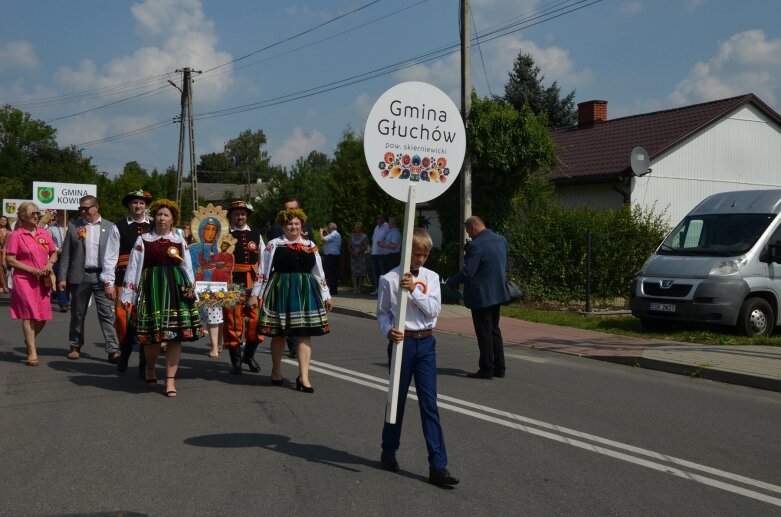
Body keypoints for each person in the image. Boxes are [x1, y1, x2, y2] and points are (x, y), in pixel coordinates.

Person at [377, 228, 459, 488]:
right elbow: (382, 314)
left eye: (425, 255)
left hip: (426, 343)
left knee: (429, 405)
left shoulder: (432, 278)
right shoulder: (388, 279)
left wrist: (414, 290)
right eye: (417, 254)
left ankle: (438, 466)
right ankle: (388, 450)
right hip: (403, 343)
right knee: (397, 401)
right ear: (407, 251)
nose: (420, 260)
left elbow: (434, 309)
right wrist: (388, 330)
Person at [120, 199, 205, 397]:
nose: (162, 218)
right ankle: (150, 367)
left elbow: (187, 267)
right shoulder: (143, 240)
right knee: (152, 337)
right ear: (154, 218)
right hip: (152, 288)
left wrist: (192, 291)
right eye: (159, 214)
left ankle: (170, 380)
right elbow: (133, 268)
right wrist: (129, 295)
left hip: (176, 287)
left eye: (166, 215)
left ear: (172, 219)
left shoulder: (179, 241)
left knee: (175, 336)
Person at [249, 207, 332, 393]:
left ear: (301, 225)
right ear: (283, 226)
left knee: (304, 332)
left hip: (305, 290)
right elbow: (263, 271)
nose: (293, 227)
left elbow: (319, 273)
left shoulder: (310, 245)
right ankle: (276, 369)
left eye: (296, 223)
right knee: (280, 333)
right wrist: (255, 294)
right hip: (281, 288)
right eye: (289, 224)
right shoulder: (274, 245)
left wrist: (326, 295)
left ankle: (304, 377)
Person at [446, 216, 511, 379]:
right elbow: (504, 264)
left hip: (481, 296)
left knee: (484, 332)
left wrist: (451, 282)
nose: (469, 235)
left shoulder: (476, 245)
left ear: (473, 226)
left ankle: (486, 369)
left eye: (468, 231)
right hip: (497, 292)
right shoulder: (500, 239)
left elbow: (468, 272)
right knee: (494, 330)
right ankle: (499, 367)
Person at [57, 195, 121, 363]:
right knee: (78, 313)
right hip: (80, 275)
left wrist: (113, 279)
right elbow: (66, 255)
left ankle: (113, 349)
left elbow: (115, 254)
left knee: (107, 313)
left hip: (103, 276)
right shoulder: (74, 226)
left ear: (96, 207)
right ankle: (75, 345)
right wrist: (62, 277)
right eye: (81, 208)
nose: (83, 211)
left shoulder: (110, 227)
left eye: (86, 208)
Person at [102, 190, 153, 375]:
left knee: (146, 321)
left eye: (141, 203)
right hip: (124, 278)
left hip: (148, 279)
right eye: (134, 203)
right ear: (129, 206)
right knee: (123, 319)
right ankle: (125, 353)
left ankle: (143, 361)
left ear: (145, 205)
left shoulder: (155, 225)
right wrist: (108, 282)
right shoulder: (118, 227)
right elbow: (110, 256)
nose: (138, 206)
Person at [4, 202, 58, 366]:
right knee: (28, 315)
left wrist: (50, 264)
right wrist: (30, 270)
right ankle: (32, 351)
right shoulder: (15, 235)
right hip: (24, 280)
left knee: (42, 317)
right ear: (22, 216)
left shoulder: (44, 233)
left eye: (37, 213)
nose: (36, 215)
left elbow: (53, 252)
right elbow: (10, 259)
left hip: (43, 279)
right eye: (32, 213)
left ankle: (29, 340)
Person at [266, 197, 314, 359]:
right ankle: (277, 367)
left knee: (302, 327)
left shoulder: (308, 233)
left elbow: (316, 265)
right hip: (282, 283)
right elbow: (268, 266)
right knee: (282, 328)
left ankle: (298, 358)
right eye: (288, 209)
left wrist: (325, 293)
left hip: (303, 285)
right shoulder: (275, 235)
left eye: (294, 209)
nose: (291, 213)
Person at [223, 200, 263, 375]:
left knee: (256, 320)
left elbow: (264, 258)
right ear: (231, 216)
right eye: (237, 214)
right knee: (233, 320)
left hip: (253, 281)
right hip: (231, 281)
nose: (240, 216)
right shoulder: (224, 234)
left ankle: (249, 356)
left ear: (247, 216)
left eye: (243, 214)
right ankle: (236, 360)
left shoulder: (256, 234)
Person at [47, 211, 70, 312]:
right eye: (60, 215)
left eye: (65, 215)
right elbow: (48, 243)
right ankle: (63, 303)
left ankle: (67, 300)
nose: (63, 217)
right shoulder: (51, 228)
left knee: (69, 279)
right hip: (58, 256)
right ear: (57, 216)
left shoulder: (72, 227)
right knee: (61, 278)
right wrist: (57, 249)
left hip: (71, 257)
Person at [370, 214, 389, 294]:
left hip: (382, 253)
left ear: (383, 218)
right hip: (374, 252)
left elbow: (385, 238)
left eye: (378, 218)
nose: (377, 219)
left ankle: (383, 290)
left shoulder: (387, 226)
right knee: (375, 272)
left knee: (382, 272)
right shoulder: (376, 227)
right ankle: (377, 289)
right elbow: (374, 239)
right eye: (377, 218)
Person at [321, 222, 341, 295]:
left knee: (331, 273)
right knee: (333, 273)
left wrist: (321, 232)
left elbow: (322, 239)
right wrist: (326, 232)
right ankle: (333, 289)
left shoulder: (334, 234)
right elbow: (327, 238)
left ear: (331, 228)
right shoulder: (335, 234)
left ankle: (333, 290)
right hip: (334, 255)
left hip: (331, 256)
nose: (327, 229)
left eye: (328, 228)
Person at [348, 221, 368, 294]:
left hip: (361, 256)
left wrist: (359, 251)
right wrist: (353, 252)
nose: (357, 229)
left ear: (361, 228)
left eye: (359, 227)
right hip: (353, 256)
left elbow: (365, 246)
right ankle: (355, 288)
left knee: (361, 273)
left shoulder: (364, 236)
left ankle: (359, 287)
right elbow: (349, 246)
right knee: (354, 272)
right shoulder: (351, 236)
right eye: (356, 227)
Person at [0, 215, 11, 293]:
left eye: (5, 220)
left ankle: (4, 285)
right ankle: (3, 285)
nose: (3, 221)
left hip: (6, 253)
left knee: (5, 269)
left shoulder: (9, 231)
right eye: (1, 219)